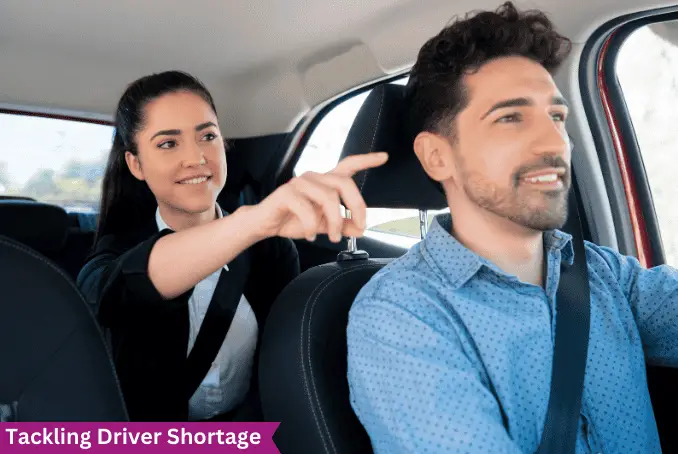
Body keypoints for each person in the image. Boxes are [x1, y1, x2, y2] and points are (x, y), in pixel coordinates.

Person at [346, 2, 678, 453]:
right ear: (436, 157)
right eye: (510, 117)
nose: (554, 142)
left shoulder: (603, 272)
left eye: (556, 116)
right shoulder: (401, 316)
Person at [77, 70, 387, 422]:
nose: (195, 158)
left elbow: (280, 367)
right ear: (136, 164)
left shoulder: (271, 251)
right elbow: (113, 293)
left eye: (207, 136)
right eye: (168, 143)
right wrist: (253, 221)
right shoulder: (115, 250)